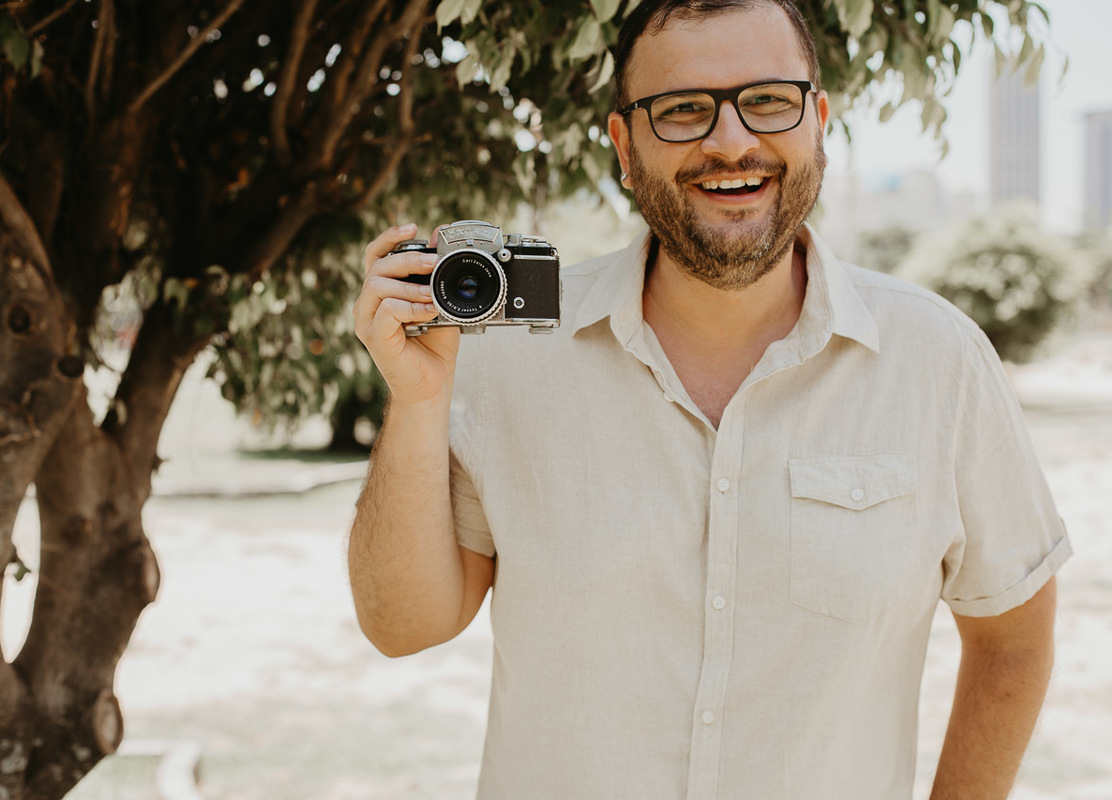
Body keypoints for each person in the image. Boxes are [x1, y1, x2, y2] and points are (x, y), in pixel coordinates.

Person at [348, 0, 1072, 797]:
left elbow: (1013, 639)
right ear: (625, 146)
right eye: (684, 110)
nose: (731, 141)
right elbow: (402, 625)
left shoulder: (940, 361)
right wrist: (416, 402)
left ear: (818, 121)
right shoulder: (510, 356)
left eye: (767, 100)